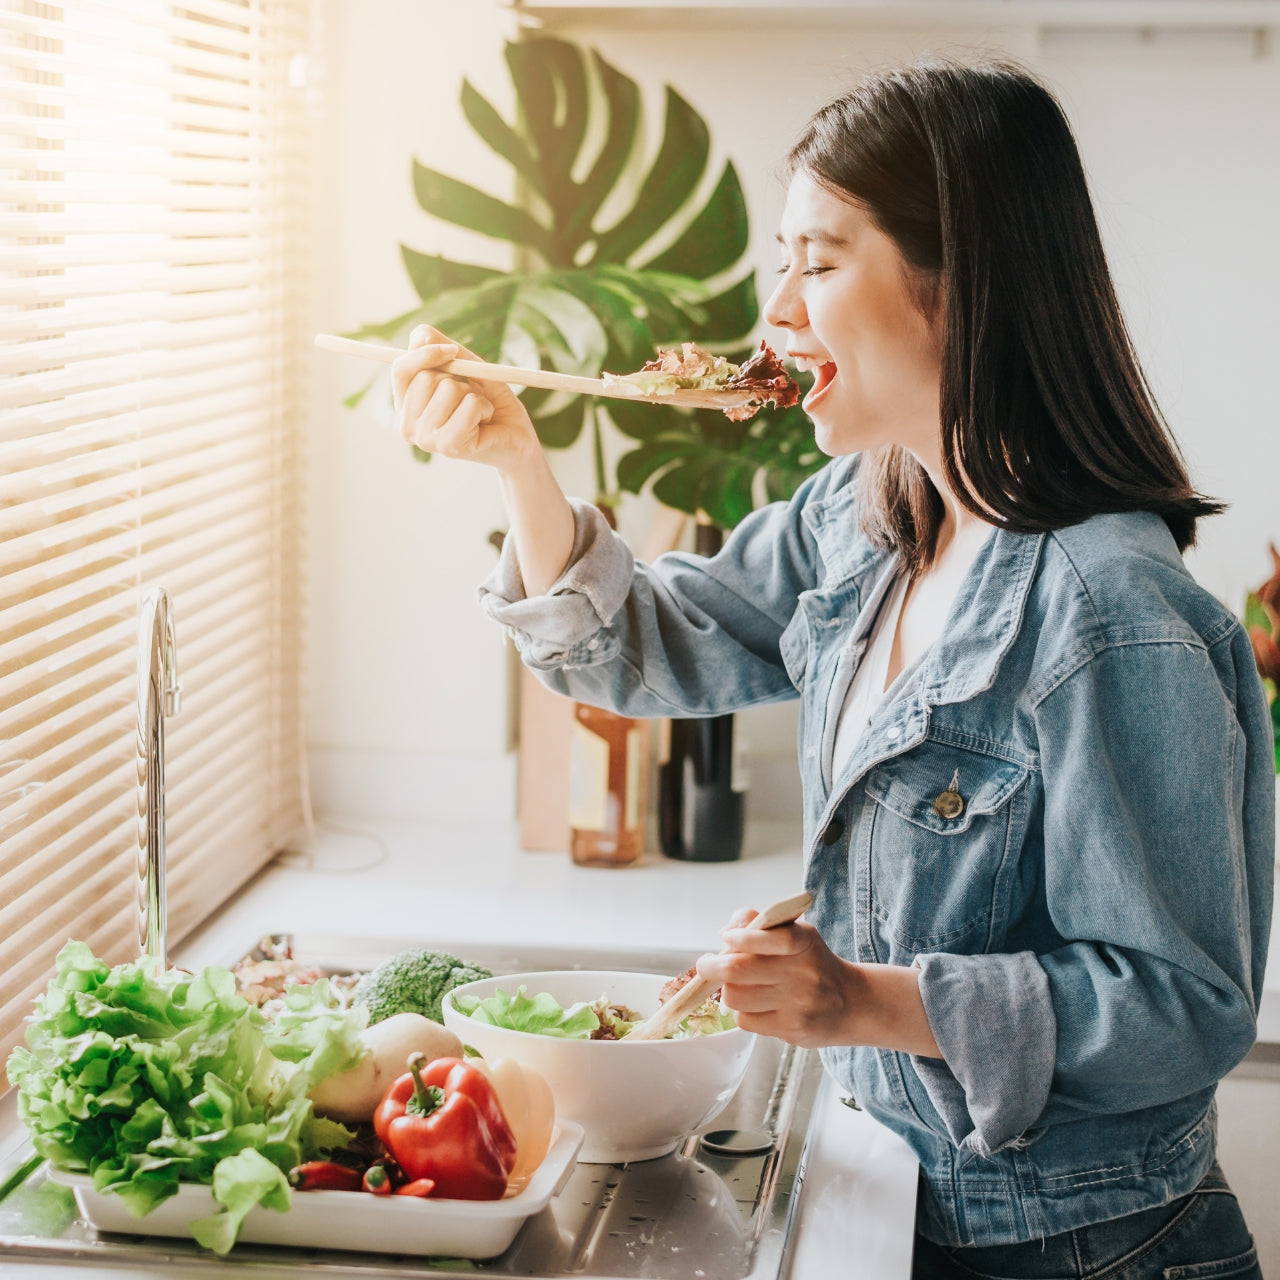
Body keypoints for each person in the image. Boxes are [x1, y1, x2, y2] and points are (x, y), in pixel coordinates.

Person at [392, 56, 1273, 1280]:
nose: (778, 315)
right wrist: (514, 465)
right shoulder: (867, 512)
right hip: (900, 1195)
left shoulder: (1108, 615)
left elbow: (1177, 1008)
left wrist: (860, 1000)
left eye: (817, 262)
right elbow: (646, 649)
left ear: (962, 282)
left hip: (1089, 1249)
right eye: (780, 266)